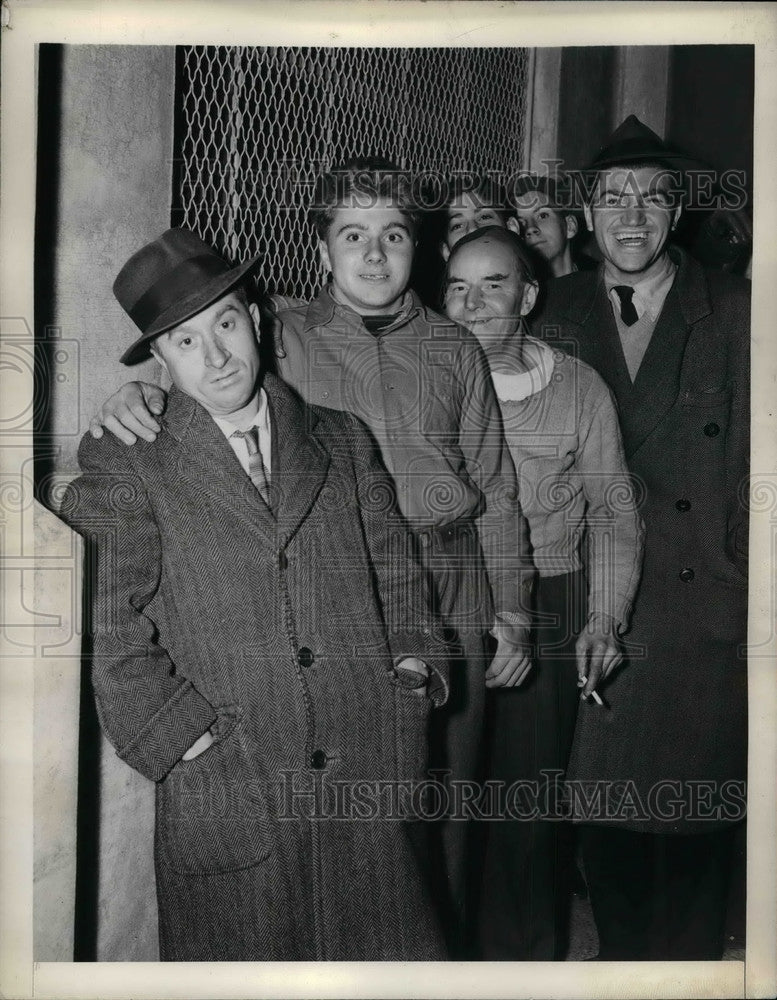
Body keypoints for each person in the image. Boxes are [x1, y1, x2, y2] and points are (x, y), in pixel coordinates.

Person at [85, 162, 535, 956]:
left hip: (368, 750)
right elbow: (108, 626)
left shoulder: (338, 437)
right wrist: (181, 739)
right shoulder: (129, 461)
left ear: (259, 320)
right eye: (183, 340)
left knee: (387, 947)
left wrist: (410, 676)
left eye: (224, 324)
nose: (214, 355)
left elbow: (397, 578)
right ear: (158, 359)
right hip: (233, 770)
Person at [534, 115, 750, 960]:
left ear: (677, 214)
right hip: (590, 610)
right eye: (612, 198)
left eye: (651, 199)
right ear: (585, 215)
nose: (631, 216)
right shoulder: (543, 308)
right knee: (606, 839)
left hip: (704, 616)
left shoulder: (736, 311)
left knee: (692, 844)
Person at [443, 225, 644, 959]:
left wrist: (603, 615)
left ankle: (524, 962)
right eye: (456, 287)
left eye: (492, 284)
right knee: (446, 801)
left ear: (527, 295)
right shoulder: (416, 377)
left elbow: (614, 511)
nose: (471, 304)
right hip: (450, 603)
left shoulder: (578, 388)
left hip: (552, 603)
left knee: (527, 805)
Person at [511, 174, 597, 279]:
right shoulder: (521, 292)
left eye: (542, 215)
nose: (530, 228)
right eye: (521, 223)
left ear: (570, 226)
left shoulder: (600, 284)